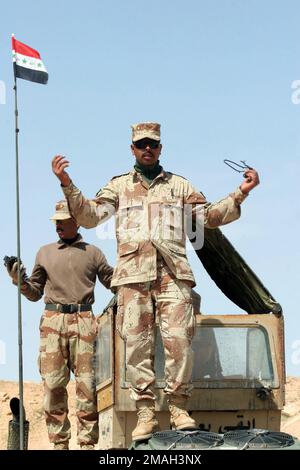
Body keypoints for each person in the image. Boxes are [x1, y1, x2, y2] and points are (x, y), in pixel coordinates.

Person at [51, 122, 260, 442]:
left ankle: (178, 407)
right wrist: (67, 183)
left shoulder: (179, 186)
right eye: (141, 144)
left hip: (173, 276)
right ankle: (145, 412)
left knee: (179, 341)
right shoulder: (118, 187)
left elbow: (209, 218)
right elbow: (91, 217)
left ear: (161, 148)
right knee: (137, 347)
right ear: (132, 149)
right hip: (133, 278)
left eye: (153, 144)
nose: (147, 148)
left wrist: (241, 193)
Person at [6, 200, 113, 450]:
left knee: (88, 388)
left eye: (63, 221)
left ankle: (87, 445)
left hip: (85, 321)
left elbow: (113, 281)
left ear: (76, 220)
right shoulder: (44, 252)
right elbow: (34, 293)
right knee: (53, 386)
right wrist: (19, 280)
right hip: (53, 323)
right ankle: (59, 445)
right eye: (56, 221)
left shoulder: (94, 252)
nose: (58, 226)